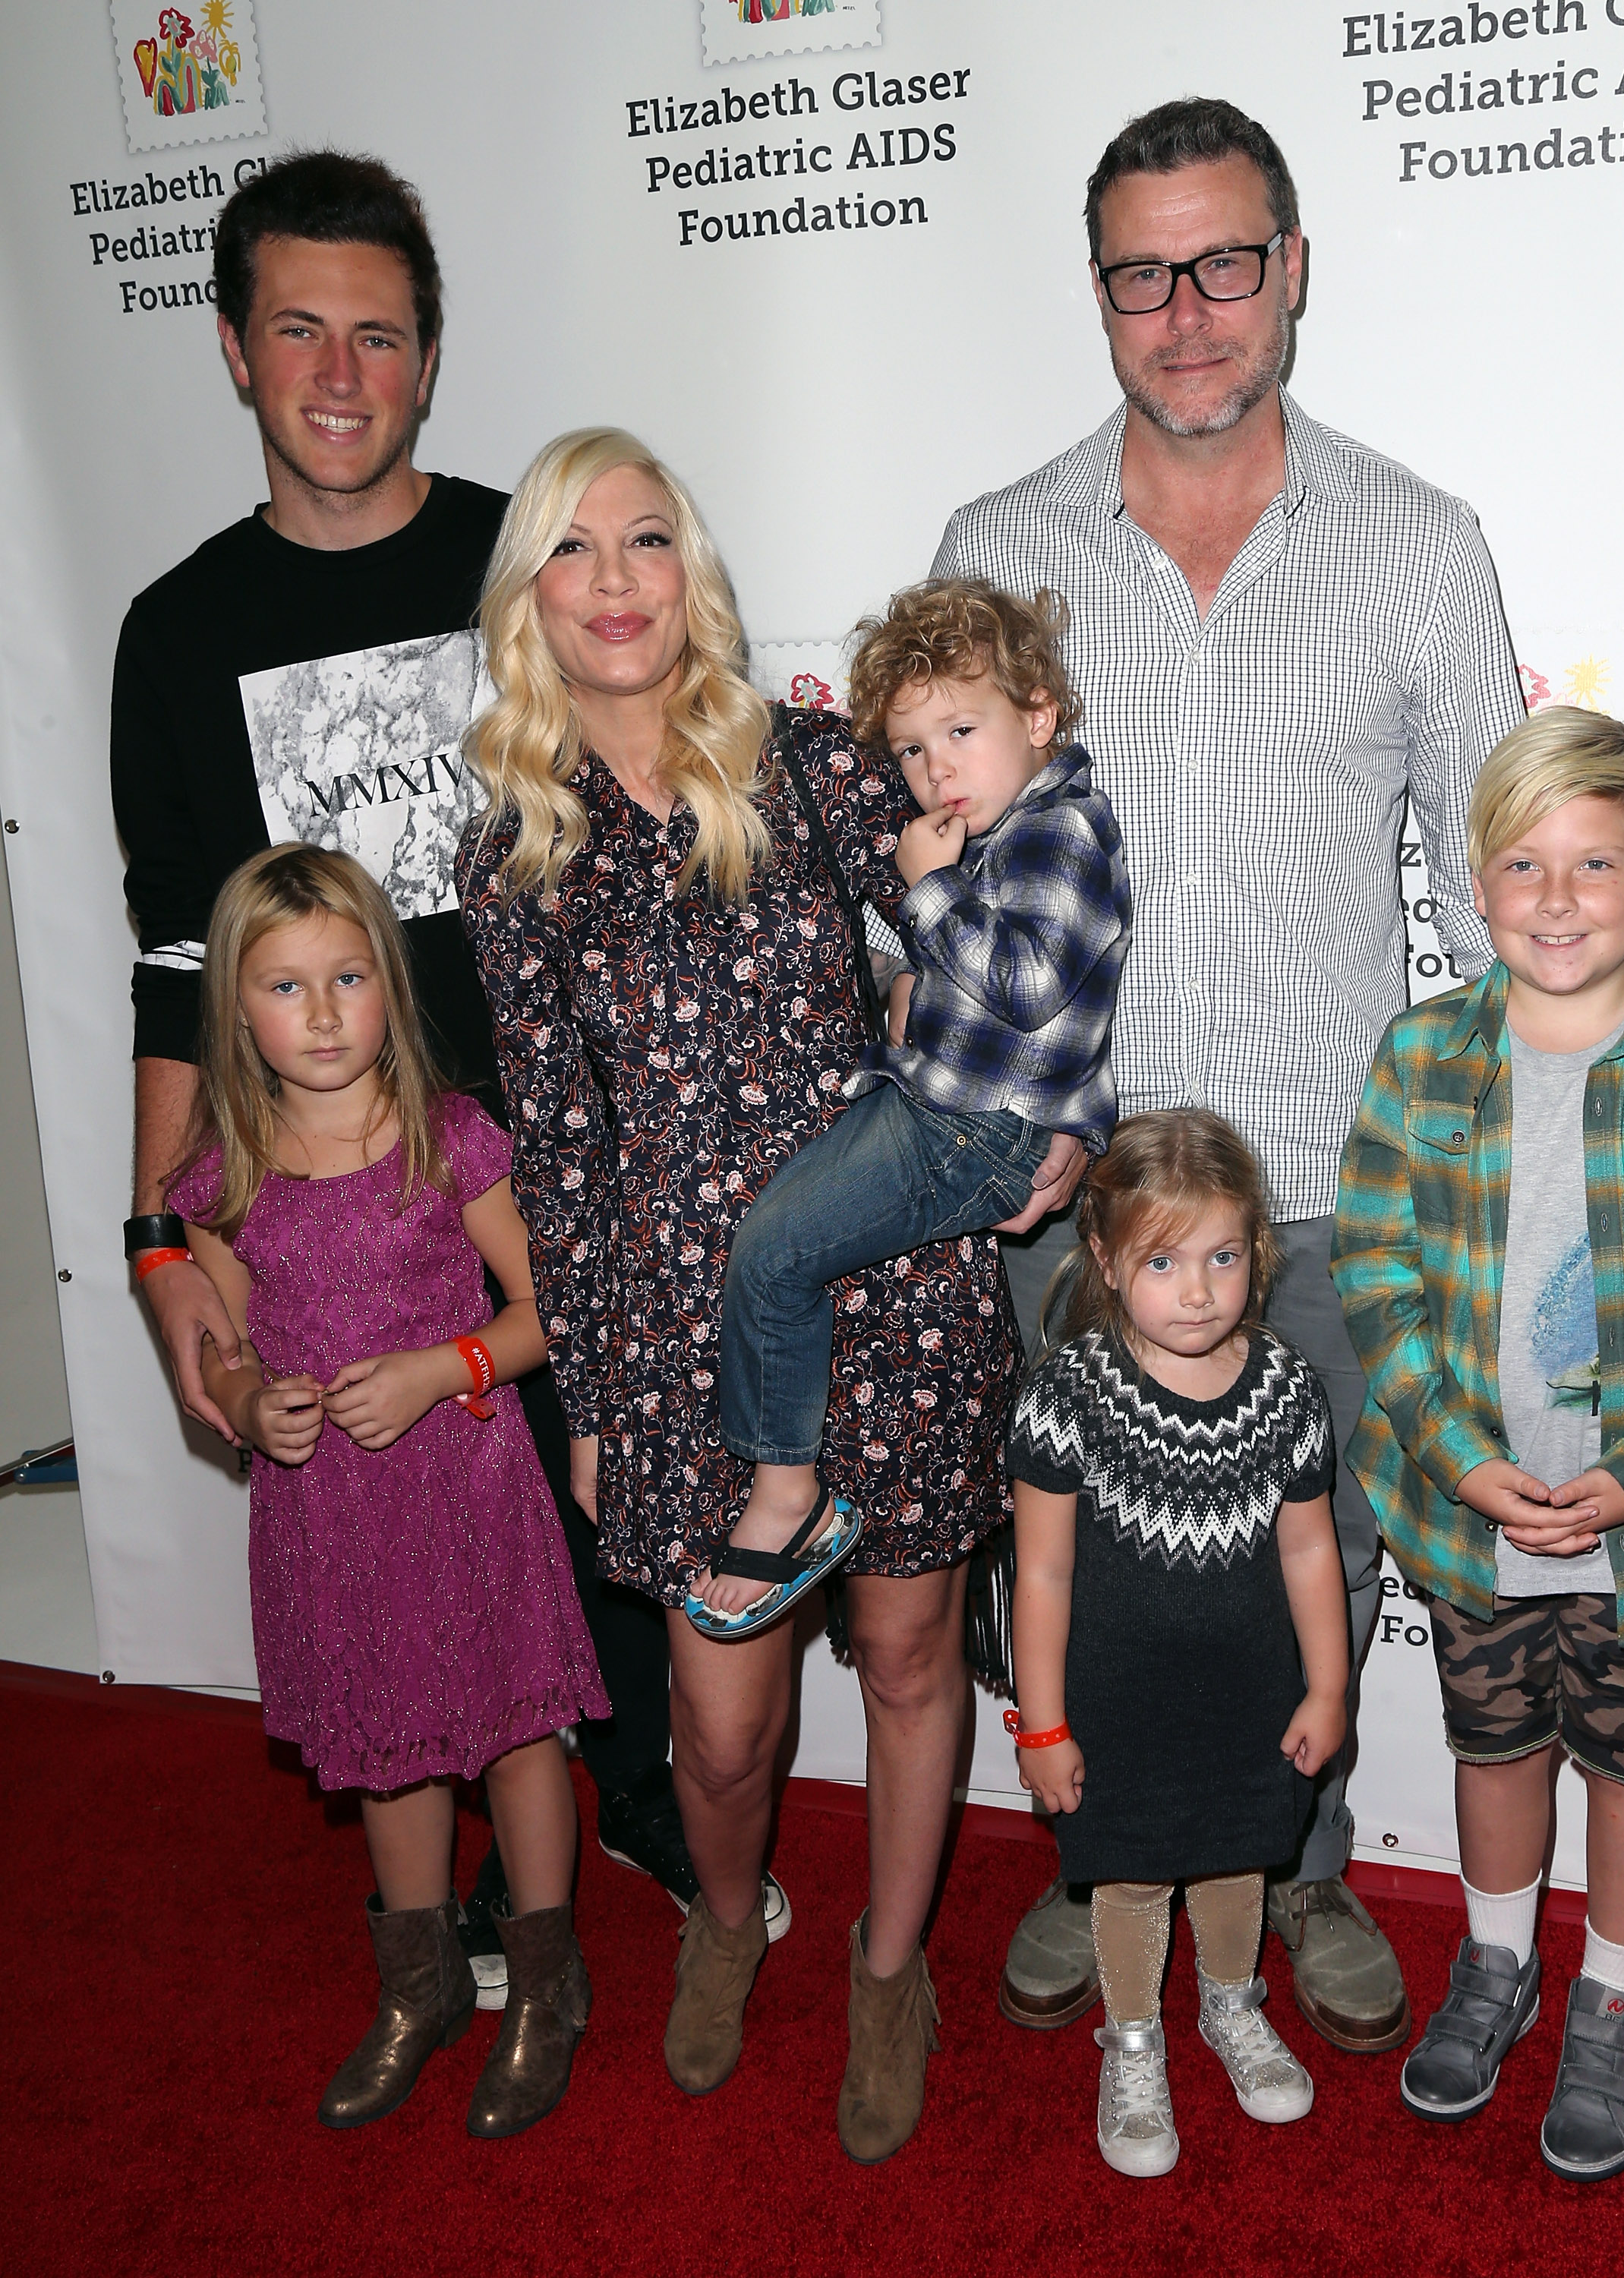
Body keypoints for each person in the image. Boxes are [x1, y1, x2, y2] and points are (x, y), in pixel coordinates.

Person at [932, 94, 1525, 2049]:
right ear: (1096, 295)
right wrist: (969, 1125)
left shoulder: (1422, 548)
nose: (1184, 312)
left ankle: (1297, 1869)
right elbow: (924, 892)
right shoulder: (1000, 552)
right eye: (1139, 274)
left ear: (1289, 272)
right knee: (1088, 1575)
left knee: (1313, 1571)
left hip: (1330, 1194)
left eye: (1221, 264)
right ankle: (1106, 1866)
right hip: (1070, 1204)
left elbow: (1493, 888)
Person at [108, 150, 700, 1994]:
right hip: (334, 1205)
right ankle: (442, 1929)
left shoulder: (516, 572)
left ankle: (644, 1826)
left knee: (596, 1555)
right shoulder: (177, 635)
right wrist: (158, 1256)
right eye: (301, 329)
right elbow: (180, 967)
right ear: (232, 350)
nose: (343, 373)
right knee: (395, 1580)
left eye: (380, 334)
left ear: (429, 360)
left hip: (556, 1176)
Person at [456, 427, 1045, 2164]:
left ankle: (886, 1968)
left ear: (690, 572)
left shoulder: (809, 763)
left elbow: (985, 938)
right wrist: (587, 1401)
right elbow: (556, 1156)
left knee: (913, 1648)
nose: (620, 581)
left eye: (649, 539)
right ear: (531, 601)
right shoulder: (513, 855)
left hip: (898, 1282)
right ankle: (726, 1916)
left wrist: (1043, 1126)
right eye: (576, 549)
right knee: (720, 1729)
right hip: (670, 1344)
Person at [1331, 709, 1624, 2179]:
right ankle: (1493, 1965)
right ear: (1473, 881)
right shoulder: (1418, 1055)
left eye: (1595, 864)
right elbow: (1376, 1273)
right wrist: (1462, 1457)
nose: (1555, 898)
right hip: (1466, 1504)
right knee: (1493, 1745)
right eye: (1523, 864)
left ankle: (1611, 2000)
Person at [168, 846, 609, 2135]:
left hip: (470, 1494)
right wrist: (251, 1403)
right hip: (333, 1520)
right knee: (388, 1757)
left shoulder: (449, 1135)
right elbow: (225, 1349)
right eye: (286, 986)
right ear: (236, 1010)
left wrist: (440, 1366)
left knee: (520, 1739)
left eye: (347, 977)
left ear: (389, 986)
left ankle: (547, 1984)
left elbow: (551, 1311)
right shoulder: (223, 1172)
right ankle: (418, 1991)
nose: (320, 1014)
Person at [702, 579, 1130, 1638]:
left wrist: (927, 891)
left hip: (975, 1138)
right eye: (909, 749)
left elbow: (1031, 987)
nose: (935, 768)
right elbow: (1065, 1018)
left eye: (961, 730)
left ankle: (786, 1494)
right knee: (766, 1245)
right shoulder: (1001, 825)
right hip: (940, 1110)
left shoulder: (1058, 832)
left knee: (776, 1253)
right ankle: (781, 1474)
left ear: (1038, 716)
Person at [1007, 1110, 1349, 2176]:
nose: (1196, 1289)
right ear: (1105, 1261)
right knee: (1133, 1878)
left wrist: (1327, 1686)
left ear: (1258, 1251)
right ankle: (1135, 2041)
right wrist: (1044, 1722)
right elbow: (1043, 1574)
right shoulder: (1067, 1396)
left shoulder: (1286, 1385)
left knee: (1237, 1858)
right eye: (1162, 1260)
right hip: (1116, 1700)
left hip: (1248, 1691)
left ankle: (1228, 2007)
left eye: (1220, 1256)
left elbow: (1307, 1553)